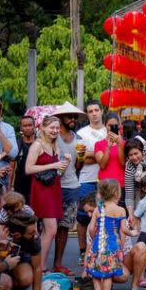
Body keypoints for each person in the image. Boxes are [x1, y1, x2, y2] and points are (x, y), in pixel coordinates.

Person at [79, 191, 146, 290]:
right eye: (87, 212)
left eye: (91, 211)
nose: (89, 215)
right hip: (107, 258)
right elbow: (89, 249)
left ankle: (134, 286)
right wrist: (86, 269)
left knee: (141, 247)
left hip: (119, 257)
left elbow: (118, 246)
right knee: (97, 263)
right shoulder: (91, 226)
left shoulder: (118, 218)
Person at [25, 116, 69, 271]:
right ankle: (40, 266)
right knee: (51, 229)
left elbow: (57, 173)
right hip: (41, 189)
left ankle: (40, 266)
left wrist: (64, 164)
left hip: (54, 187)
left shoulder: (55, 145)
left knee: (47, 230)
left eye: (57, 128)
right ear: (43, 128)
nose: (55, 131)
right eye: (52, 128)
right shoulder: (37, 145)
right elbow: (28, 169)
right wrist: (54, 164)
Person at [85, 179, 137, 290]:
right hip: (113, 247)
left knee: (95, 271)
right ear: (115, 192)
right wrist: (133, 233)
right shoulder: (120, 210)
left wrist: (94, 239)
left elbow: (91, 228)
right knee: (108, 274)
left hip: (98, 244)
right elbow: (124, 230)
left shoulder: (98, 209)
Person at [53, 102, 85, 275]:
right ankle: (42, 265)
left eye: (74, 117)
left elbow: (78, 166)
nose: (72, 119)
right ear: (60, 118)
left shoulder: (78, 139)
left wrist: (81, 157)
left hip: (72, 185)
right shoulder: (52, 136)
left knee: (64, 227)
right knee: (49, 227)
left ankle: (58, 263)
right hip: (53, 185)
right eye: (68, 116)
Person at [76, 100, 107, 263]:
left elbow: (113, 156)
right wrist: (101, 155)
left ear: (102, 111)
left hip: (105, 180)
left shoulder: (109, 130)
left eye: (96, 110)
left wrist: (92, 154)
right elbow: (81, 159)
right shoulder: (82, 133)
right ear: (87, 114)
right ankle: (83, 251)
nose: (94, 113)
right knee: (83, 217)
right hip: (86, 179)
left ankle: (103, 250)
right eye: (90, 111)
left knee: (105, 216)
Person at [5, 212, 45, 290]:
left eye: (35, 231)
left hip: (19, 258)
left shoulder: (34, 239)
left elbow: (37, 268)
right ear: (17, 235)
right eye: (31, 233)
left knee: (26, 279)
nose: (35, 235)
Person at [95, 113, 126, 207]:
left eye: (115, 125)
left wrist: (119, 143)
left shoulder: (124, 143)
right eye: (110, 125)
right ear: (105, 126)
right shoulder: (99, 144)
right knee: (103, 214)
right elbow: (102, 165)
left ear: (119, 126)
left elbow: (122, 163)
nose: (112, 127)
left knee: (119, 214)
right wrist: (108, 147)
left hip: (120, 184)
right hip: (104, 185)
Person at [9, 116, 36, 203]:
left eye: (30, 125)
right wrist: (9, 187)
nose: (28, 128)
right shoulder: (16, 144)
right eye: (25, 126)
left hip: (37, 183)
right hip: (20, 184)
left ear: (34, 126)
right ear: (21, 128)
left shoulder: (40, 143)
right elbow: (11, 167)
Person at [124, 140, 146, 222]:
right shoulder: (130, 167)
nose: (133, 157)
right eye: (130, 155)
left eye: (136, 153)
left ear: (142, 152)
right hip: (140, 196)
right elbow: (129, 193)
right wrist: (130, 214)